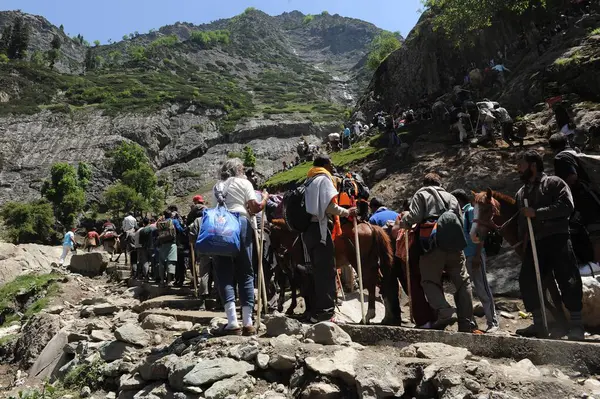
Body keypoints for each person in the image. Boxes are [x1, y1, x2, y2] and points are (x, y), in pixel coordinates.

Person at [513, 150, 584, 340]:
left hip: (557, 238)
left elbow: (566, 207)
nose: (518, 169)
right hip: (535, 243)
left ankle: (577, 325)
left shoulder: (554, 183)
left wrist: (537, 213)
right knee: (527, 280)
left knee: (567, 278)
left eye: (521, 164)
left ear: (533, 165)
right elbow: (522, 222)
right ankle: (539, 323)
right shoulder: (521, 193)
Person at [401, 173, 474, 332]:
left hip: (432, 245)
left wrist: (404, 222)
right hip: (454, 244)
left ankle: (445, 311)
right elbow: (461, 222)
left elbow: (415, 216)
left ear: (424, 183)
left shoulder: (422, 194)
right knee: (462, 281)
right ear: (440, 183)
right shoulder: (452, 197)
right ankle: (466, 322)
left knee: (429, 281)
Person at [211, 158, 267, 336]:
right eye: (242, 168)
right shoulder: (245, 183)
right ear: (238, 170)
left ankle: (232, 322)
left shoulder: (217, 186)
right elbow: (255, 207)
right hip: (241, 222)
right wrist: (265, 197)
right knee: (246, 272)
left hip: (220, 226)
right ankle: (248, 321)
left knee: (224, 273)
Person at [304, 154, 357, 323]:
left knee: (315, 271)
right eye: (330, 163)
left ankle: (314, 311)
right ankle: (326, 313)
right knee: (326, 272)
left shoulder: (308, 180)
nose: (332, 167)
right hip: (320, 229)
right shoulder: (324, 179)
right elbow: (329, 206)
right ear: (325, 164)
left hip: (308, 231)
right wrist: (347, 212)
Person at [451, 189, 500, 333]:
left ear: (459, 200)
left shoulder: (472, 211)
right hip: (466, 255)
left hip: (474, 256)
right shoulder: (463, 213)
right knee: (468, 290)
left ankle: (493, 322)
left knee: (482, 289)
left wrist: (478, 255)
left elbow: (480, 234)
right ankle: (470, 323)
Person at [550, 133, 600, 265]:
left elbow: (571, 176)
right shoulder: (575, 152)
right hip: (592, 196)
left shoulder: (561, 157)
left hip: (584, 199)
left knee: (594, 233)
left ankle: (596, 264)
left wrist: (562, 194)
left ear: (552, 148)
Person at [156, 210, 184, 286]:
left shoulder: (160, 223)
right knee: (170, 261)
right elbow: (180, 230)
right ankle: (169, 281)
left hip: (162, 244)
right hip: (172, 244)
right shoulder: (174, 221)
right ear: (171, 215)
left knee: (162, 262)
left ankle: (162, 280)